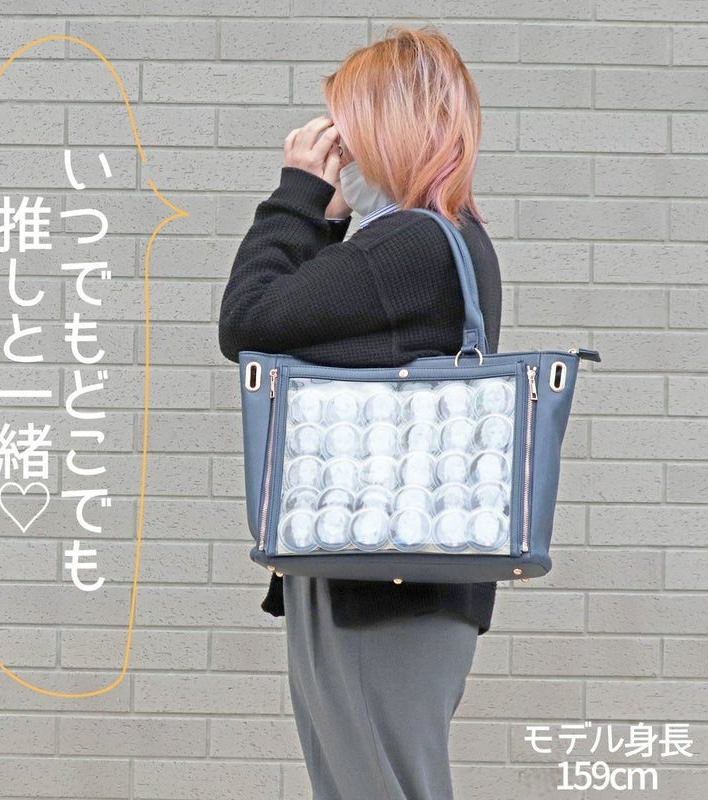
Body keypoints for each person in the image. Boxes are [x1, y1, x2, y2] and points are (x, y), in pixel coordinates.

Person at [218, 26, 501, 800]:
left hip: (382, 577)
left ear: (384, 126)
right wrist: (332, 217)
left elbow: (248, 322)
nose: (334, 145)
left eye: (344, 127)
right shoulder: (424, 242)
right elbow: (300, 327)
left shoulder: (409, 243)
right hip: (372, 567)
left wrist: (297, 196)